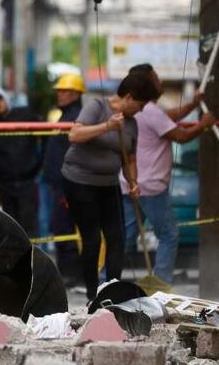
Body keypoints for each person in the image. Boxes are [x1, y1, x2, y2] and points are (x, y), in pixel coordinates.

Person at [61, 71, 158, 302]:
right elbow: (74, 135)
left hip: (109, 183)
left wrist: (133, 181)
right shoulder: (97, 107)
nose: (141, 110)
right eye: (141, 105)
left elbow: (129, 160)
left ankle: (112, 291)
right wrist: (107, 126)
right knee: (93, 239)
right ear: (129, 98)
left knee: (118, 237)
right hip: (79, 181)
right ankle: (92, 294)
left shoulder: (132, 124)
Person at [120, 64, 215, 284]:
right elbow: (180, 136)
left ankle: (106, 279)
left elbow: (170, 116)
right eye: (155, 78)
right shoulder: (150, 110)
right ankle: (161, 285)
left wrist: (193, 103)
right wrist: (203, 124)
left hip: (131, 183)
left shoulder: (145, 110)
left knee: (125, 237)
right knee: (168, 236)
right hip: (150, 185)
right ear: (146, 82)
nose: (159, 82)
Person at [41, 73, 85, 280]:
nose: (60, 95)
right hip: (60, 184)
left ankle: (70, 274)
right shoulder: (66, 116)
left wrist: (68, 187)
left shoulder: (75, 117)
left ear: (76, 94)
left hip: (67, 185)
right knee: (61, 227)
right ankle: (69, 273)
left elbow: (73, 155)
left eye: (64, 91)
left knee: (63, 227)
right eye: (58, 91)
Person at [0, 86, 43, 237]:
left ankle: (32, 259)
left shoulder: (25, 114)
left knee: (29, 226)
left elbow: (45, 133)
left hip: (27, 180)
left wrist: (38, 164)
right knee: (11, 227)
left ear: (6, 99)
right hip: (6, 184)